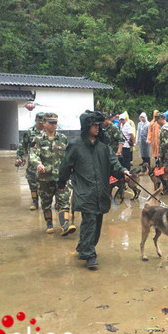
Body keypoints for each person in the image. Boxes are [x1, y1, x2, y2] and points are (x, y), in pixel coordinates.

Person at [58, 111, 130, 269]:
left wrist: (123, 171)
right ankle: (89, 254)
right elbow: (65, 166)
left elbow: (113, 163)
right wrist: (61, 182)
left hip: (101, 191)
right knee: (89, 221)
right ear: (86, 126)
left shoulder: (103, 147)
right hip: (85, 191)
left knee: (97, 222)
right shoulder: (76, 146)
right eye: (95, 125)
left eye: (99, 125)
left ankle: (84, 246)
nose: (98, 128)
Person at [30, 113, 76, 236]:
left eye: (55, 122)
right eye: (51, 123)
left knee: (64, 200)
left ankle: (65, 226)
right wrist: (38, 164)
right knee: (46, 202)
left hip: (61, 177)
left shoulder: (63, 138)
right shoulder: (38, 139)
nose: (54, 125)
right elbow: (33, 154)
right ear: (44, 123)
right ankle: (49, 223)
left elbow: (69, 156)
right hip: (44, 178)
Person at [15, 112, 45, 210]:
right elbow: (22, 146)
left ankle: (48, 202)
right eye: (39, 122)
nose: (41, 124)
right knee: (32, 182)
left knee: (48, 183)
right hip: (33, 163)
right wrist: (19, 157)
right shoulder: (29, 132)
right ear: (35, 121)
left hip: (46, 161)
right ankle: (35, 201)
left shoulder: (49, 131)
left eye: (43, 122)